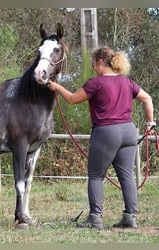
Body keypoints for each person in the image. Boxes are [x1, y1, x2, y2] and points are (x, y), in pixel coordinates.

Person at [46, 46, 155, 230]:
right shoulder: (127, 82)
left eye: (93, 65)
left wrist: (56, 87)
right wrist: (150, 123)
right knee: (127, 176)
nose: (93, 69)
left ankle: (95, 219)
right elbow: (147, 99)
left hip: (106, 132)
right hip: (128, 131)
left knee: (96, 176)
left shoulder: (96, 83)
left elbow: (72, 99)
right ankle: (130, 218)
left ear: (100, 63)